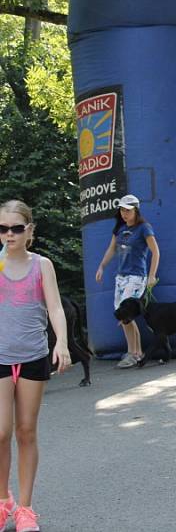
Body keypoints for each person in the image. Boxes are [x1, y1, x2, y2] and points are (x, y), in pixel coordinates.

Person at [0, 200, 70, 532]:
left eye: (16, 228)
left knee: (26, 431)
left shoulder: (42, 265)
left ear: (29, 230)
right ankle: (3, 502)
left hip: (32, 356)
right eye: (3, 228)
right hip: (0, 357)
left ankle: (25, 508)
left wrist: (62, 343)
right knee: (0, 432)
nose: (9, 234)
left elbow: (55, 308)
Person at [95, 194, 160, 368]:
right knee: (124, 316)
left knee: (126, 315)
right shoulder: (119, 229)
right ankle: (136, 352)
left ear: (136, 210)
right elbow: (111, 249)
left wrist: (151, 275)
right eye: (122, 210)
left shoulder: (144, 228)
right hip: (121, 277)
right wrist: (101, 266)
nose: (124, 213)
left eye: (128, 210)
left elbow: (156, 252)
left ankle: (134, 353)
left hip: (136, 277)